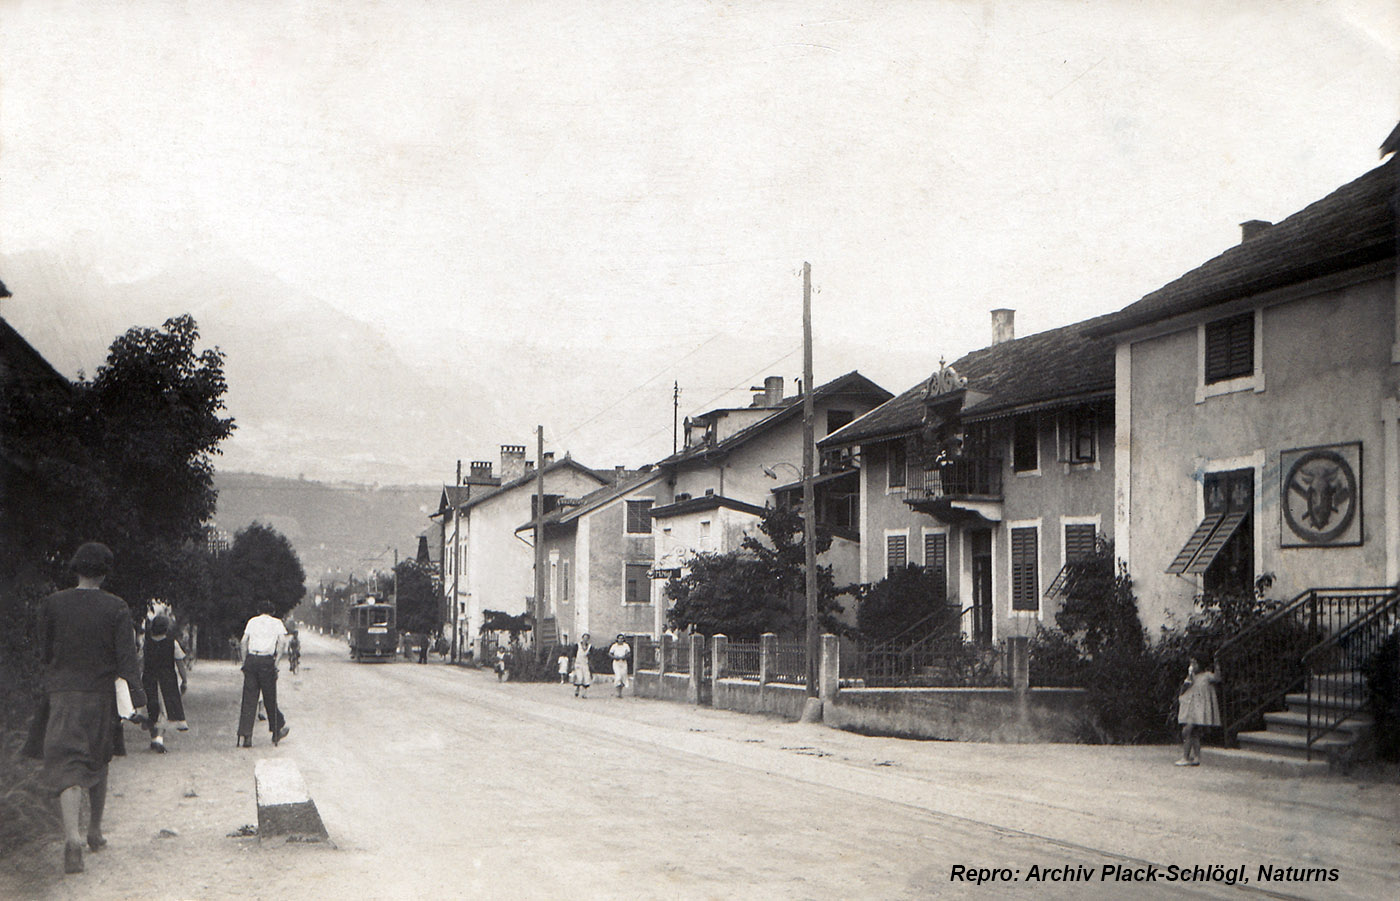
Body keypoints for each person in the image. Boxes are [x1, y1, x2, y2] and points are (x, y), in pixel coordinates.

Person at [36, 542, 147, 875]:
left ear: (76, 569)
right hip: (99, 696)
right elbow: (127, 661)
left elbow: (44, 652)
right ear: (104, 572)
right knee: (98, 759)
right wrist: (139, 702)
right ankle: (95, 831)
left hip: (62, 695)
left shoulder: (52, 604)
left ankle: (72, 840)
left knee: (68, 764)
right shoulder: (116, 607)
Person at [237, 600, 289, 749]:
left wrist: (244, 661)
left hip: (252, 659)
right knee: (270, 697)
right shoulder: (277, 623)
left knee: (249, 698)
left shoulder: (252, 621)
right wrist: (276, 662)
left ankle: (246, 736)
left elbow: (243, 642)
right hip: (267, 661)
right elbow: (282, 643)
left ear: (259, 610)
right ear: (272, 611)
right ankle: (276, 730)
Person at [140, 614, 189, 753]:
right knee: (165, 710)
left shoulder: (146, 643)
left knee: (152, 708)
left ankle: (154, 738)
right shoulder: (172, 643)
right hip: (167, 680)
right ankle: (159, 738)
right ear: (166, 629)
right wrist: (184, 680)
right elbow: (180, 664)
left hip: (149, 679)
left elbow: (140, 662)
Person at [1176, 657, 1221, 766]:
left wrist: (1217, 665)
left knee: (1188, 731)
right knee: (1193, 733)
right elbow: (1183, 691)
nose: (1192, 665)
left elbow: (1218, 678)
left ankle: (1185, 757)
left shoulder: (1206, 676)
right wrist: (1188, 680)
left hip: (1199, 708)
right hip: (1191, 708)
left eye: (1195, 662)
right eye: (1191, 662)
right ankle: (1196, 757)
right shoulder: (1191, 677)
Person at [572, 634, 593, 698]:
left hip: (585, 664)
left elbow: (590, 657)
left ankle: (584, 693)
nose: (585, 639)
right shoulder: (577, 645)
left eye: (587, 638)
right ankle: (577, 689)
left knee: (586, 678)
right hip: (578, 663)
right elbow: (573, 656)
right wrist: (572, 664)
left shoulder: (589, 647)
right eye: (584, 638)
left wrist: (590, 665)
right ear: (582, 638)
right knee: (579, 677)